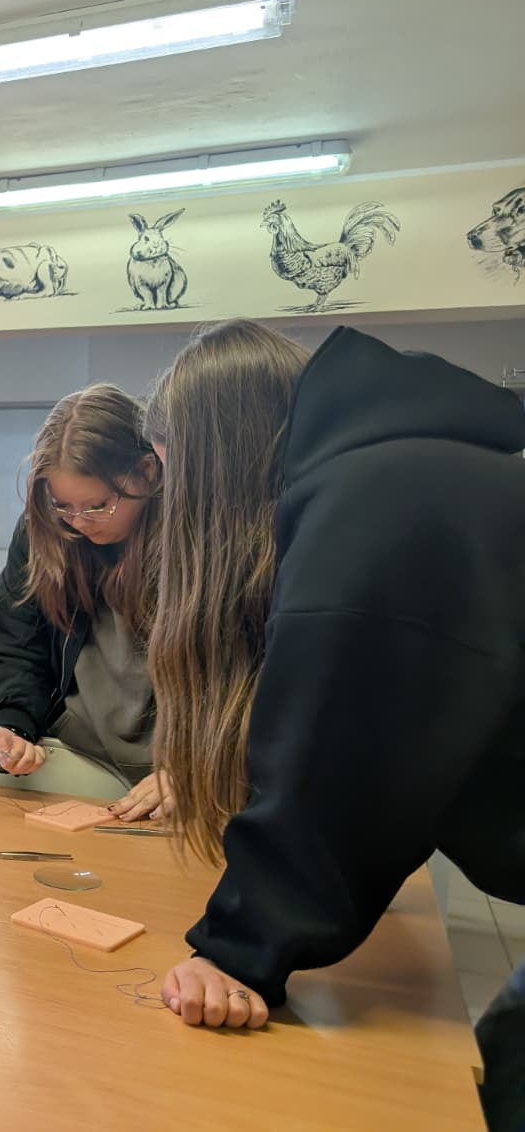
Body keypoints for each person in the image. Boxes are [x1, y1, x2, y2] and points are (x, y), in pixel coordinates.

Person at [142, 319, 525, 1032]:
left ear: (213, 462)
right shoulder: (413, 470)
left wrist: (237, 951)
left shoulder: (379, 502)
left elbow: (338, 757)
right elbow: (407, 742)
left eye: (174, 475)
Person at [0, 384, 168, 817]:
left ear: (148, 471)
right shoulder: (45, 531)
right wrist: (12, 723)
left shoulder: (198, 540)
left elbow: (244, 677)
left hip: (174, 772)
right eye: (63, 505)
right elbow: (14, 642)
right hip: (80, 755)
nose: (79, 522)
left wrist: (196, 768)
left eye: (98, 506)